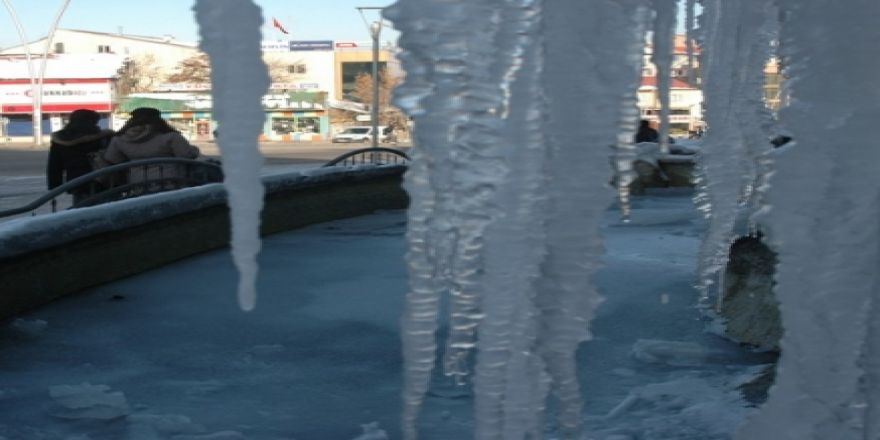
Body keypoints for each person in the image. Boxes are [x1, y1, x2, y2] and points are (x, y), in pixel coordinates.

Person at [103, 107, 200, 188]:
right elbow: (186, 155)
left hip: (137, 183)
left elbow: (112, 159)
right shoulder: (170, 137)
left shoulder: (119, 139)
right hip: (170, 181)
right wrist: (195, 150)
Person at [46, 109, 114, 204]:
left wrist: (54, 187)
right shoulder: (104, 136)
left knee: (81, 209)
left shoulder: (60, 139)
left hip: (76, 181)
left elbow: (54, 166)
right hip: (102, 179)